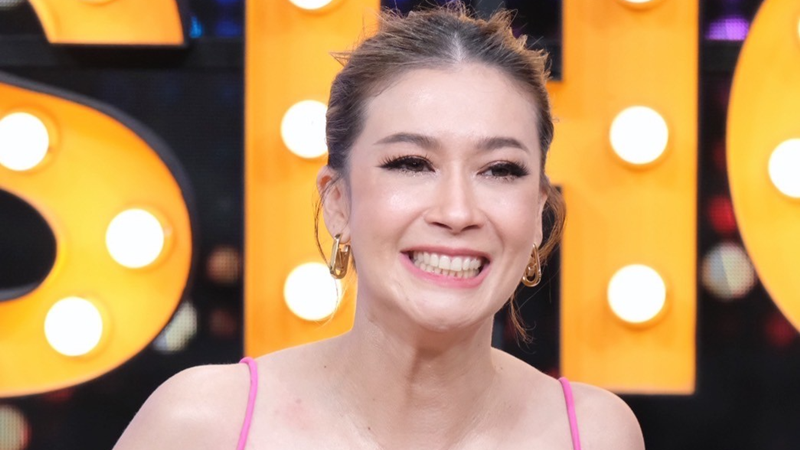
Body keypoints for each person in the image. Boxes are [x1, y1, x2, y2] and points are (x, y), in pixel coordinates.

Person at [114, 5, 644, 450]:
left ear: (538, 213)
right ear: (338, 202)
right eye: (411, 164)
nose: (457, 211)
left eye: (500, 170)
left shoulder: (595, 433)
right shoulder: (205, 425)